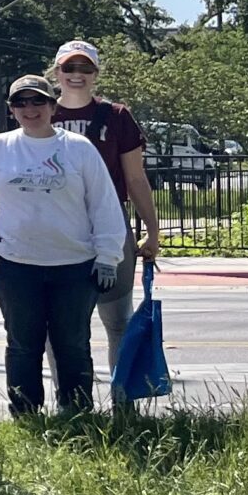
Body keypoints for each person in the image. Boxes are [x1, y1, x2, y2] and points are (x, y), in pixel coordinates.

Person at [0, 73, 127, 416]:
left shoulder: (78, 148)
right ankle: (25, 413)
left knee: (73, 344)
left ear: (52, 106)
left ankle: (76, 412)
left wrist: (108, 255)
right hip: (15, 265)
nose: (30, 108)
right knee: (23, 344)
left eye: (38, 101)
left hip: (75, 265)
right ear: (11, 110)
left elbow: (104, 203)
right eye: (21, 102)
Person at [48, 38, 164, 396]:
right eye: (70, 68)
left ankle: (122, 404)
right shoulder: (41, 111)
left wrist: (153, 232)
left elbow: (135, 178)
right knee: (60, 328)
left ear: (96, 74)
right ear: (57, 72)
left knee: (117, 322)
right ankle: (69, 404)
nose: (77, 75)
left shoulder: (116, 117)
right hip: (57, 235)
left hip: (110, 234)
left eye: (85, 68)